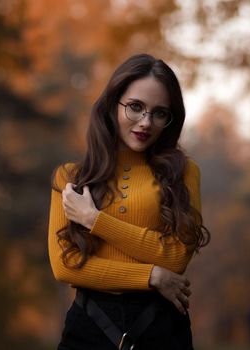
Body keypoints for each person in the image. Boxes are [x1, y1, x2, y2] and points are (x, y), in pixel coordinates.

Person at [48, 53, 210, 350]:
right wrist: (152, 275)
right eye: (136, 107)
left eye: (159, 113)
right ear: (113, 105)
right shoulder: (70, 177)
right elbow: (65, 267)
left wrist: (94, 220)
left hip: (160, 328)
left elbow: (175, 258)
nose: (146, 122)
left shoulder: (183, 173)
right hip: (88, 328)